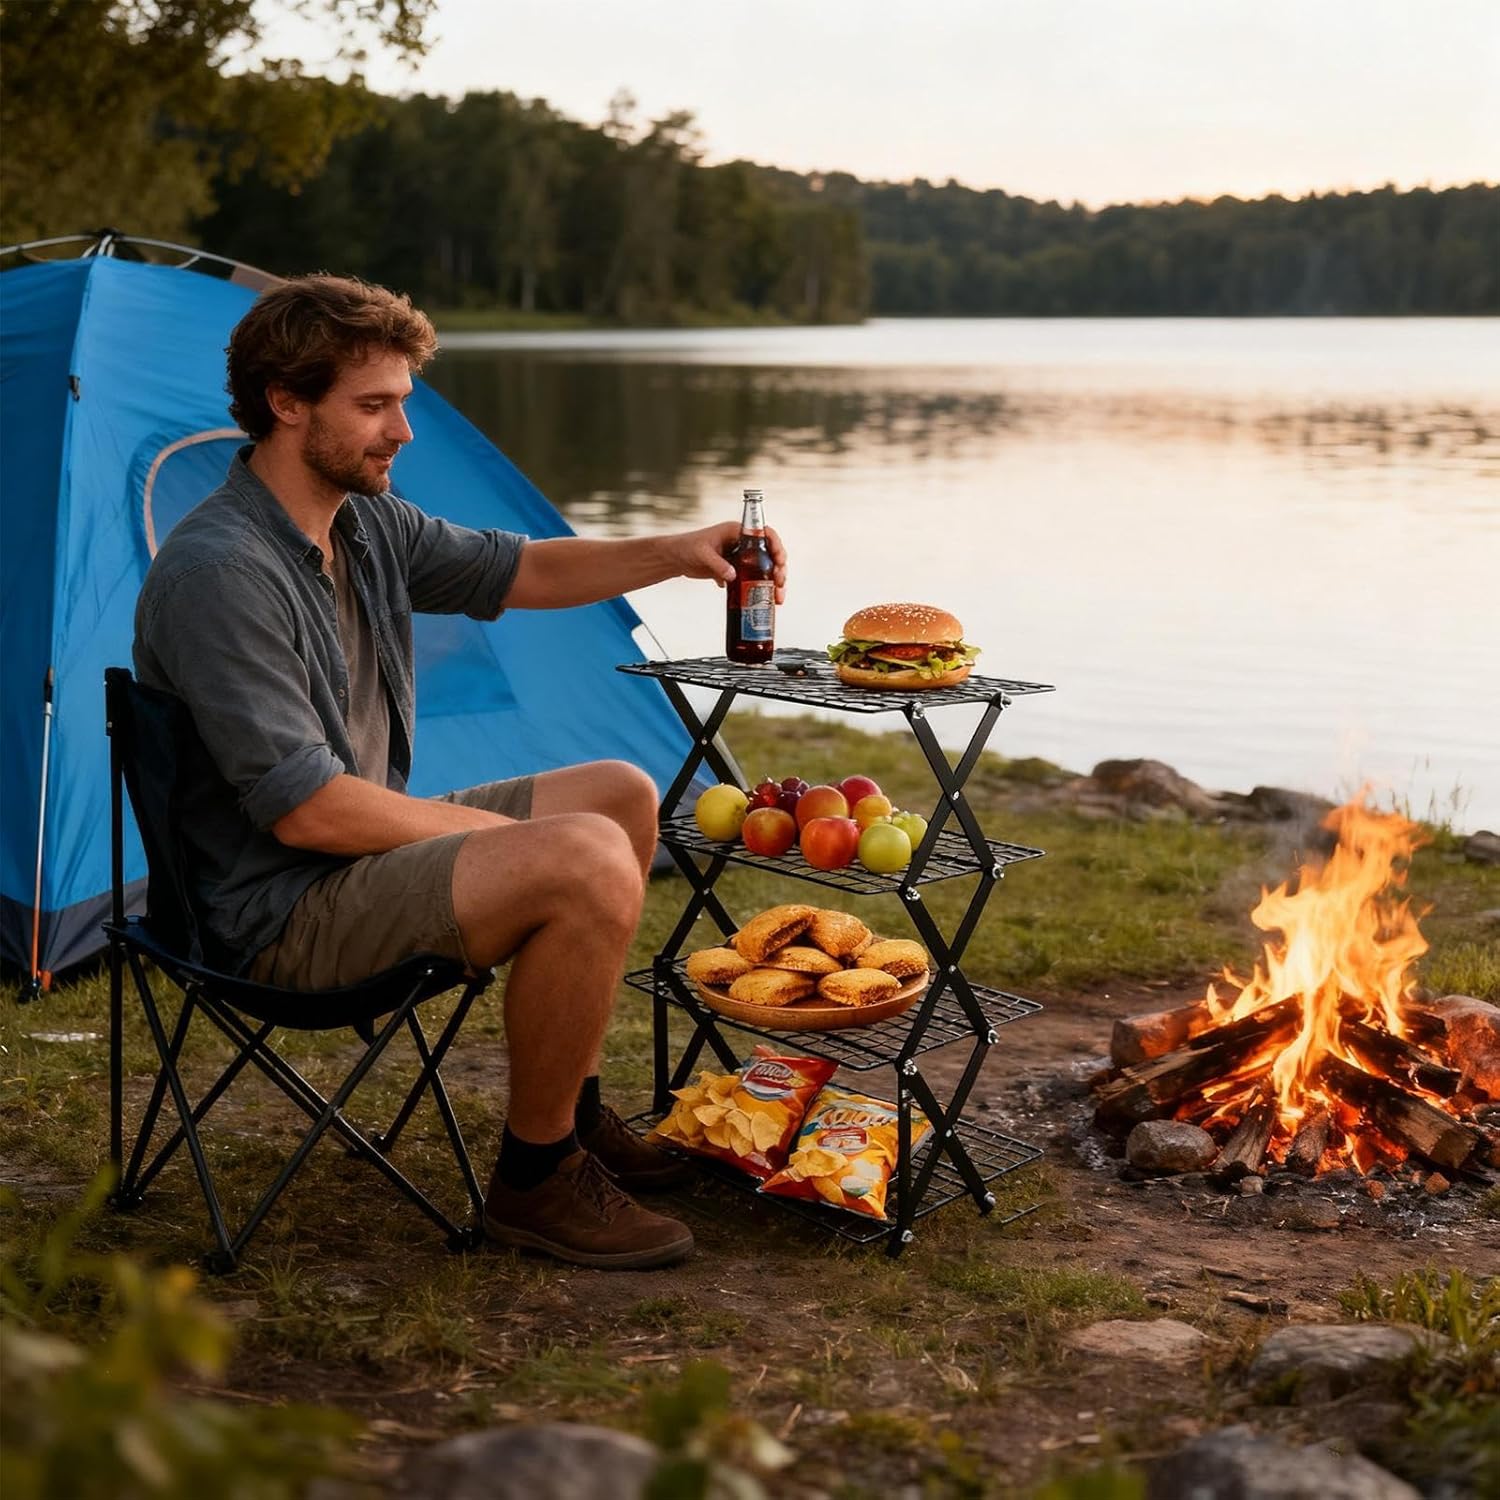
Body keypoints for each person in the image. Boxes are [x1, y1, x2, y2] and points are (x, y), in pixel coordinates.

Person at [133, 274, 787, 1270]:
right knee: (583, 855)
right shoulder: (221, 570)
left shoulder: (362, 524)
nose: (402, 430)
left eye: (403, 401)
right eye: (374, 405)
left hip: (346, 864)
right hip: (276, 915)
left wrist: (678, 550)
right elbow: (307, 813)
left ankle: (565, 1109)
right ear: (286, 403)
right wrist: (508, 844)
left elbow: (522, 570)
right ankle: (536, 1179)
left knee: (617, 790)